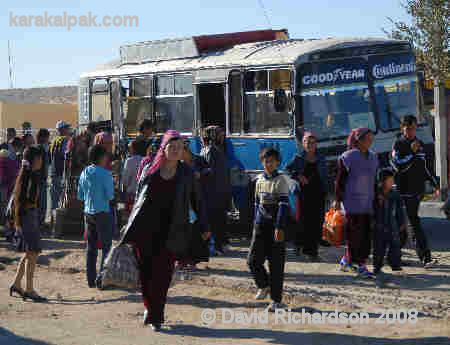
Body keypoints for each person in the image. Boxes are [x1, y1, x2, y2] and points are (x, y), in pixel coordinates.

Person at [120, 130, 209, 331]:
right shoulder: (150, 169)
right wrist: (129, 222)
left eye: (180, 148)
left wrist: (204, 225)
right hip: (145, 230)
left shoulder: (186, 173)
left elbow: (198, 200)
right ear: (164, 148)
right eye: (172, 147)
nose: (177, 151)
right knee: (145, 273)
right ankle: (149, 307)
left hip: (172, 231)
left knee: (163, 275)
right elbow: (138, 201)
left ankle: (156, 316)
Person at [391, 115, 439, 268]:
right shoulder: (398, 145)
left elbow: (424, 167)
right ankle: (425, 257)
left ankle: (393, 255)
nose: (411, 131)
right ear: (402, 128)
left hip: (418, 190)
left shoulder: (420, 144)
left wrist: (435, 183)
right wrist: (411, 153)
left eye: (413, 128)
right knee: (412, 223)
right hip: (404, 191)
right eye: (408, 128)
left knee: (407, 224)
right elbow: (398, 166)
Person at [248, 147, 289, 312]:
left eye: (272, 160)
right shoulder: (259, 181)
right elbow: (256, 205)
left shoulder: (281, 181)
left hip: (275, 229)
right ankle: (264, 285)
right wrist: (254, 223)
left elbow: (283, 206)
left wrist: (279, 227)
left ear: (277, 162)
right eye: (266, 160)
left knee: (276, 265)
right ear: (262, 162)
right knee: (252, 260)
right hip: (260, 227)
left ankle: (276, 300)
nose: (268, 163)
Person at [335, 127, 378, 277]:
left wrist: (378, 196)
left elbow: (374, 180)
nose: (370, 142)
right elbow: (340, 181)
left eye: (371, 139)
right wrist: (337, 200)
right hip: (352, 202)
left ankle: (346, 260)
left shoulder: (373, 157)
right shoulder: (347, 157)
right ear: (358, 140)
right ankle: (360, 265)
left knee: (365, 234)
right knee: (355, 235)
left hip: (367, 202)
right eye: (367, 139)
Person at [9, 145, 47, 302]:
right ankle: (29, 289)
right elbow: (29, 200)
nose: (42, 161)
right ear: (35, 159)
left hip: (25, 217)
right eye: (40, 158)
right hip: (28, 217)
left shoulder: (24, 175)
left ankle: (17, 284)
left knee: (29, 253)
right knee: (33, 253)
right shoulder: (32, 176)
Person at [286, 131, 329, 261]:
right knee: (303, 221)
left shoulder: (321, 158)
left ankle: (312, 251)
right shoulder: (298, 157)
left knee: (317, 222)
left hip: (318, 193)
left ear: (316, 144)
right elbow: (287, 170)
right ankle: (301, 246)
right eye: (307, 142)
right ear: (303, 144)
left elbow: (326, 176)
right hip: (303, 194)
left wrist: (327, 191)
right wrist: (298, 176)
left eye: (312, 142)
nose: (310, 144)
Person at [77, 145, 114, 289]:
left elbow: (80, 195)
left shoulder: (84, 172)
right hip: (102, 212)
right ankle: (102, 278)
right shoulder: (106, 174)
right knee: (106, 247)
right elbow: (110, 196)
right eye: (105, 156)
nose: (107, 158)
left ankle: (91, 279)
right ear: (100, 157)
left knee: (91, 247)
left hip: (88, 212)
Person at [200, 126, 232, 255]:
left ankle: (218, 246)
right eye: (220, 135)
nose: (222, 137)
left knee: (216, 220)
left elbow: (210, 171)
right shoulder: (212, 151)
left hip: (214, 191)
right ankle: (220, 245)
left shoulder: (211, 150)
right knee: (217, 220)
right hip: (215, 191)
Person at [373, 168, 407, 287]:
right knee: (379, 247)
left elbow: (399, 210)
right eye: (390, 180)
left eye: (392, 179)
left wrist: (402, 223)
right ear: (382, 181)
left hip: (392, 224)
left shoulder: (394, 193)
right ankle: (377, 267)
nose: (392, 182)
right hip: (378, 225)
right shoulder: (375, 193)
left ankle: (395, 264)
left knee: (395, 244)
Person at [49, 121, 71, 221]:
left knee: (54, 199)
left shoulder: (54, 141)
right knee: (61, 199)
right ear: (62, 129)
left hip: (53, 172)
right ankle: (59, 222)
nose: (68, 129)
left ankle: (53, 220)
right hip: (61, 172)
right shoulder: (65, 140)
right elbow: (65, 155)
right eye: (66, 128)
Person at [121, 139, 146, 219]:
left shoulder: (130, 161)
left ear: (133, 148)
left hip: (131, 195)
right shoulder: (146, 160)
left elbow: (125, 180)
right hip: (142, 194)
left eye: (129, 147)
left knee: (129, 219)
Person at [36, 129, 51, 230]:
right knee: (41, 203)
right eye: (46, 137)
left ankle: (40, 223)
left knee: (42, 203)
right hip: (40, 179)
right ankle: (39, 223)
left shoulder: (43, 149)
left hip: (42, 179)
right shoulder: (40, 149)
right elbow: (43, 165)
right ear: (42, 137)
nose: (48, 139)